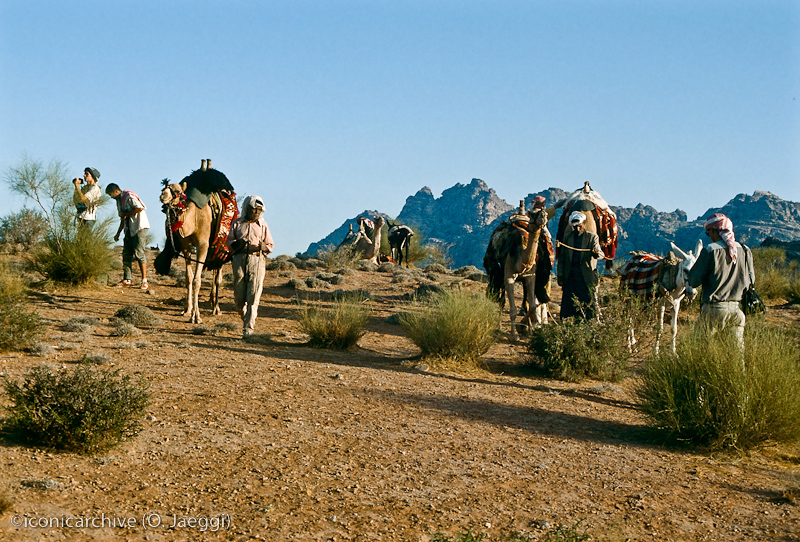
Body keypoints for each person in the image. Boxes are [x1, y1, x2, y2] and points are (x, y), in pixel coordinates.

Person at [687, 213, 754, 350]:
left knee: (699, 349)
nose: (709, 236)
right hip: (737, 310)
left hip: (714, 310)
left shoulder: (710, 250)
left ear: (716, 231)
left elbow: (693, 281)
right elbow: (751, 280)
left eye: (708, 232)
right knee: (736, 353)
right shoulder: (746, 250)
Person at [226, 195, 274, 338]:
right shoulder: (237, 223)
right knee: (239, 299)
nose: (256, 212)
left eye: (259, 210)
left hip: (257, 261)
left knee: (253, 296)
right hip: (239, 260)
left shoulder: (263, 225)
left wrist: (263, 247)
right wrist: (235, 244)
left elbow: (270, 245)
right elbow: (229, 241)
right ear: (247, 208)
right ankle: (245, 317)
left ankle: (248, 328)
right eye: (254, 209)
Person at [556, 211, 604, 320]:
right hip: (571, 276)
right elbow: (562, 258)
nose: (577, 229)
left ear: (584, 224)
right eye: (575, 227)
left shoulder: (592, 237)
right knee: (568, 305)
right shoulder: (568, 238)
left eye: (579, 226)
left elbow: (601, 254)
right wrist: (560, 275)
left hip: (585, 277)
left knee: (587, 304)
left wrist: (596, 253)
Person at [106, 183, 150, 289]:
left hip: (139, 226)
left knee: (139, 253)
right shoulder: (119, 202)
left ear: (116, 191)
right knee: (126, 253)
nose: (111, 197)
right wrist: (118, 233)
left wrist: (127, 214)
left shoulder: (129, 196)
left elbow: (140, 208)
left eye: (111, 194)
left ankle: (144, 280)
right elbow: (123, 218)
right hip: (128, 229)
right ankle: (127, 279)